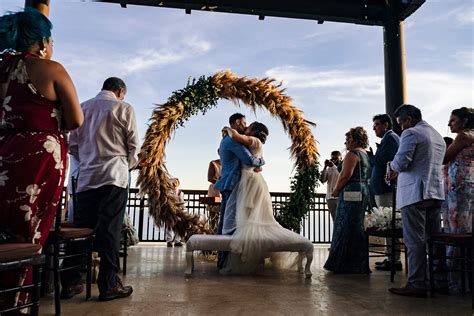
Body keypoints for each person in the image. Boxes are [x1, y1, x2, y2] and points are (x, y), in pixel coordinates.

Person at [0, 8, 83, 308]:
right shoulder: (53, 70)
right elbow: (76, 119)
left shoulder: (4, 68)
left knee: (6, 225)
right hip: (41, 157)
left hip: (6, 150)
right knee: (32, 229)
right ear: (44, 42)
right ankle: (19, 298)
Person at [63, 77, 139, 301]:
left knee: (81, 230)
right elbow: (134, 145)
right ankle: (109, 285)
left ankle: (70, 282)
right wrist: (128, 163)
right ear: (119, 90)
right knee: (109, 230)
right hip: (113, 176)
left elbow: (72, 146)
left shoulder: (83, 108)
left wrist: (88, 159)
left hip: (86, 178)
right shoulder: (124, 108)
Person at [219, 122, 313, 274]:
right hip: (248, 179)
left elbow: (238, 140)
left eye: (248, 126)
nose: (246, 127)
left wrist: (228, 129)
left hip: (250, 181)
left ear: (254, 131)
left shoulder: (252, 141)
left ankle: (246, 252)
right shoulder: (251, 142)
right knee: (246, 212)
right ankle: (252, 254)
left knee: (243, 211)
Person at [387, 104, 446, 298]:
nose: (400, 128)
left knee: (414, 241)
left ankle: (417, 283)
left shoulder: (411, 133)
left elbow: (401, 162)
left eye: (401, 123)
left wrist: (391, 165)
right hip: (435, 192)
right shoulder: (437, 135)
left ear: (409, 119)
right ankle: (439, 281)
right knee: (433, 239)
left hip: (415, 194)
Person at [214, 113, 265, 268]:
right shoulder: (233, 141)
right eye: (244, 123)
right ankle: (224, 261)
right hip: (232, 184)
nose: (246, 125)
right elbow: (249, 159)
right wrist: (261, 161)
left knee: (229, 221)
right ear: (237, 123)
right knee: (228, 223)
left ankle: (224, 259)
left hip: (232, 183)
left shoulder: (227, 139)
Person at [324, 127, 372, 274]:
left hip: (351, 190)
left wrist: (336, 190)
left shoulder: (352, 154)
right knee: (356, 226)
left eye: (347, 140)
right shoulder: (365, 154)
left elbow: (345, 174)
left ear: (353, 139)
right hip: (363, 190)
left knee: (344, 225)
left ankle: (342, 264)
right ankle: (358, 263)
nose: (345, 143)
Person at [442, 107, 473, 293]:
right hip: (471, 186)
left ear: (465, 121)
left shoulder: (464, 136)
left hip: (460, 190)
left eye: (453, 120)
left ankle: (456, 282)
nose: (449, 124)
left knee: (456, 233)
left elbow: (445, 158)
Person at [368, 114, 401, 271]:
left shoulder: (390, 139)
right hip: (382, 187)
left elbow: (383, 160)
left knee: (388, 223)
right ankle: (391, 258)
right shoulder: (389, 139)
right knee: (388, 223)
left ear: (386, 125)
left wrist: (371, 157)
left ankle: (394, 259)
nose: (374, 128)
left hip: (385, 187)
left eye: (376, 124)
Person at [320, 151, 342, 221]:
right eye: (332, 158)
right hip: (330, 198)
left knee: (341, 219)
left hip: (340, 197)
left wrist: (333, 166)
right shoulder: (329, 169)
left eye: (336, 158)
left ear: (341, 158)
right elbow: (322, 180)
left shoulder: (343, 167)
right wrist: (325, 167)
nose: (334, 160)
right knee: (335, 220)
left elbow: (340, 176)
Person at [165, 178, 185, 247]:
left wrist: (183, 210)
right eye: (173, 184)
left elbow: (182, 202)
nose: (174, 185)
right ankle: (169, 240)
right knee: (169, 226)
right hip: (170, 211)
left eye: (176, 184)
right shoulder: (168, 192)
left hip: (178, 211)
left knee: (178, 226)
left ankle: (177, 240)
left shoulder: (180, 193)